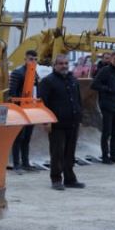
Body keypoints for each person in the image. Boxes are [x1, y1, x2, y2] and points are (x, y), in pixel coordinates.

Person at [39, 54, 85, 190]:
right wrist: (46, 122)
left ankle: (70, 179)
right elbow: (43, 103)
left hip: (72, 123)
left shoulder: (73, 80)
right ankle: (56, 179)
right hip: (56, 124)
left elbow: (78, 100)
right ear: (55, 65)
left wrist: (80, 119)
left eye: (66, 63)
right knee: (57, 153)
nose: (64, 66)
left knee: (70, 153)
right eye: (61, 63)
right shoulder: (48, 81)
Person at [92, 50, 115, 164]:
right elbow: (95, 84)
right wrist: (108, 90)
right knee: (107, 131)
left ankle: (114, 154)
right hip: (107, 105)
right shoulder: (105, 71)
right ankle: (105, 156)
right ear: (111, 59)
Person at [9, 50, 39, 173]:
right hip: (20, 109)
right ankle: (16, 164)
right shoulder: (18, 73)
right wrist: (17, 110)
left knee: (27, 137)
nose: (34, 61)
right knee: (18, 137)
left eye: (36, 59)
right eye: (31, 59)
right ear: (25, 59)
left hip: (31, 109)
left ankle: (25, 162)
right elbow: (12, 93)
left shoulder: (35, 73)